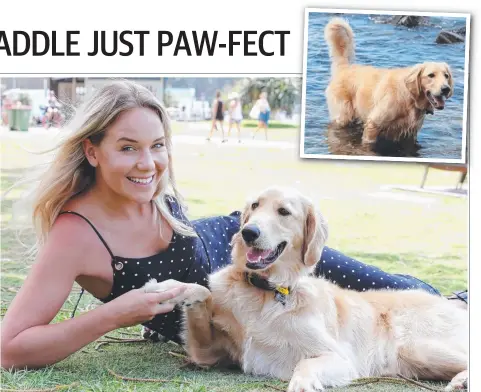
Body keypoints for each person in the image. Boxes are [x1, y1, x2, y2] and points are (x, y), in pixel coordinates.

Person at [0, 80, 462, 371]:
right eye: (127, 147)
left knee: (399, 290)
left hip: (250, 255)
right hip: (230, 318)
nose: (149, 163)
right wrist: (115, 314)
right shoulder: (75, 234)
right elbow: (11, 349)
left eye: (157, 145)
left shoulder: (150, 184)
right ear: (92, 151)